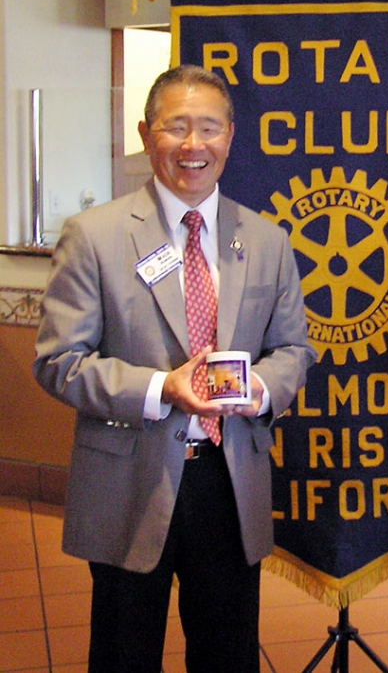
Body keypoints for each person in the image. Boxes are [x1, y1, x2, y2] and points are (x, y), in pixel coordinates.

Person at [34, 64, 316, 672]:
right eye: (176, 128)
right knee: (123, 651)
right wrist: (163, 388)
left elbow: (295, 348)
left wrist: (261, 388)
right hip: (130, 479)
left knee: (227, 653)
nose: (194, 146)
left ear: (230, 137)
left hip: (229, 477)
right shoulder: (94, 235)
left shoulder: (266, 239)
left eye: (208, 128)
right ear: (146, 133)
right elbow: (59, 361)